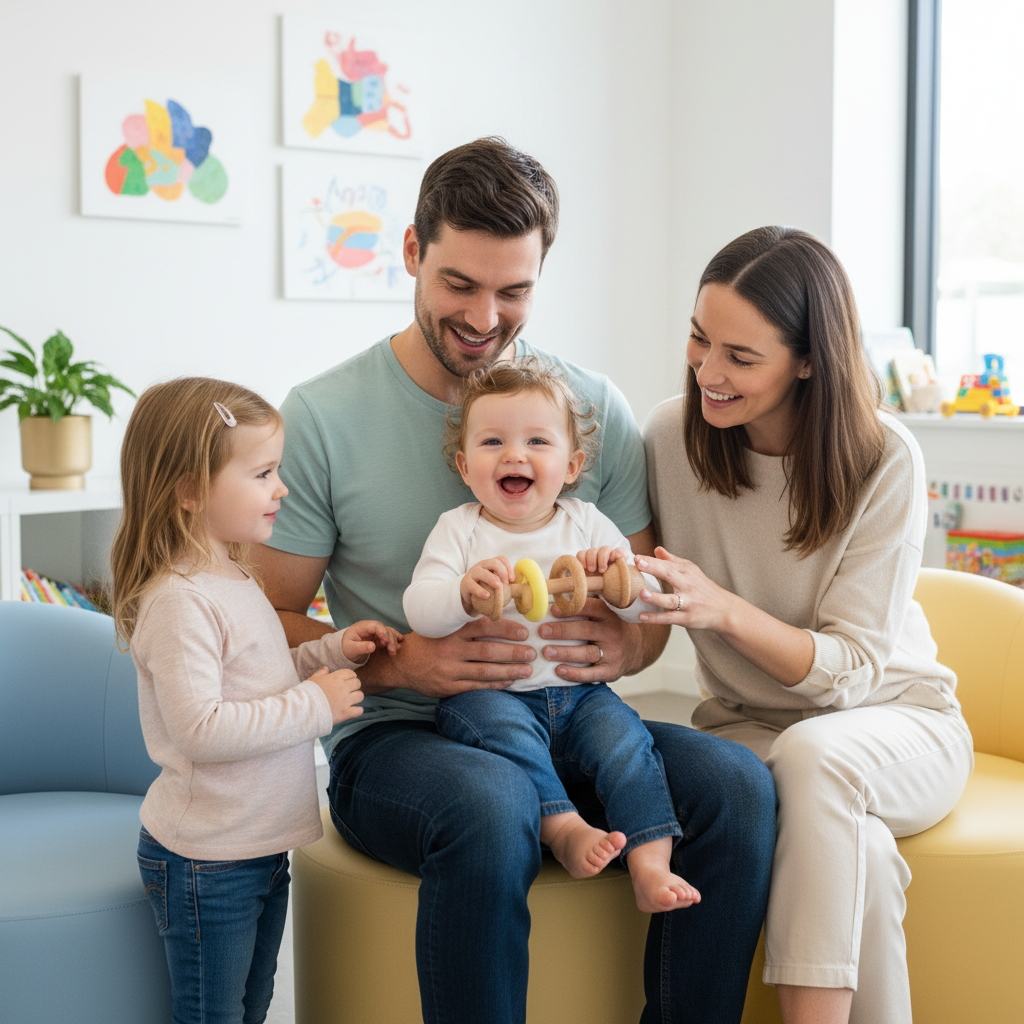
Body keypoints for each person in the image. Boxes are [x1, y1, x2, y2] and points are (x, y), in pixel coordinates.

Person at [256, 137, 776, 1024]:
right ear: (412, 251)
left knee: (735, 786)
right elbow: (265, 619)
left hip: (566, 716)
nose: (484, 317)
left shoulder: (586, 409)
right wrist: (403, 664)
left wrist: (624, 642)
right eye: (459, 284)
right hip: (397, 740)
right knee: (492, 803)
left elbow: (645, 614)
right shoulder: (322, 415)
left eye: (514, 291)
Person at [638, 226, 974, 1024]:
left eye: (740, 357)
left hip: (897, 725)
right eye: (699, 338)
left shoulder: (885, 457)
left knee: (818, 756)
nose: (707, 373)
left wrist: (724, 609)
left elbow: (852, 670)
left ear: (809, 360)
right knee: (863, 858)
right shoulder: (667, 438)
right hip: (751, 729)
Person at [110, 377, 400, 1024]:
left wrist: (333, 652)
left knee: (252, 1006)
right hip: (207, 861)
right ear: (190, 490)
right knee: (212, 1013)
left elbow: (261, 677)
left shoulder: (235, 577)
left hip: (258, 847)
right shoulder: (180, 601)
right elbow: (202, 728)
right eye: (264, 473)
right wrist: (316, 706)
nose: (282, 489)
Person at [404, 358, 699, 912]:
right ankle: (562, 829)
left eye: (537, 441)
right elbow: (420, 610)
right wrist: (461, 594)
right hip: (492, 695)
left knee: (629, 746)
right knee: (502, 737)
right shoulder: (459, 530)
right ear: (465, 466)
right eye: (493, 442)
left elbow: (644, 605)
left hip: (583, 695)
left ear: (572, 465)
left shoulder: (586, 523)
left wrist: (620, 583)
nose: (514, 455)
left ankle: (650, 861)